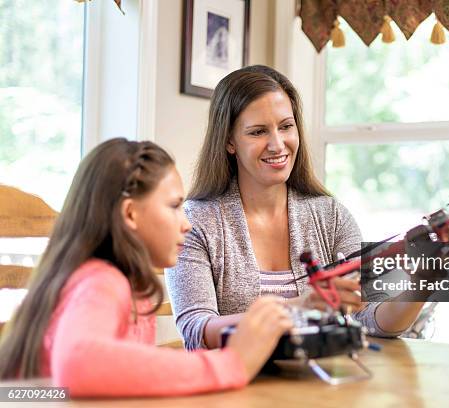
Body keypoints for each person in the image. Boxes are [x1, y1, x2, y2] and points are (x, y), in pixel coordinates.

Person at [0, 138, 292, 397]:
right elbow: (76, 363)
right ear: (130, 213)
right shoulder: (101, 281)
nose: (186, 224)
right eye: (174, 206)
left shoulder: (126, 285)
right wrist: (230, 364)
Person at [166, 65, 425, 351]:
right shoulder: (196, 221)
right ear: (229, 141)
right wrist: (298, 308)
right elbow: (196, 330)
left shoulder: (331, 215)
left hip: (321, 388)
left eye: (286, 126)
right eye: (258, 132)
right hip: (234, 387)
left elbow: (369, 319)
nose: (277, 144)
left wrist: (421, 285)